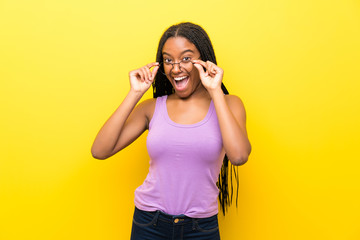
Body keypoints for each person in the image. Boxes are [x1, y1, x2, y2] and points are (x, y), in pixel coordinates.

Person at [91, 22, 251, 240]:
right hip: (149, 224)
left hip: (201, 228)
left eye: (186, 58)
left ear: (203, 60)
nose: (176, 68)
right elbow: (100, 150)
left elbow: (239, 156)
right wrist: (134, 94)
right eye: (168, 60)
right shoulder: (151, 108)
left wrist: (215, 91)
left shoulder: (229, 104)